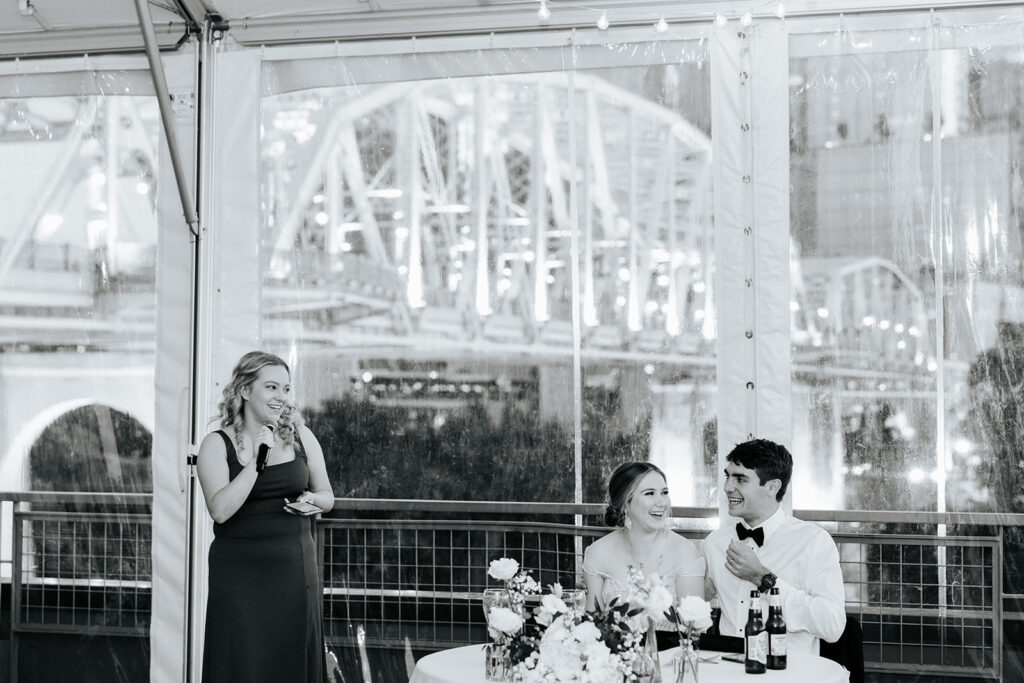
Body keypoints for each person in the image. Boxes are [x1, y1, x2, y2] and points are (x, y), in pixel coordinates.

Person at [197, 351, 335, 683]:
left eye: (285, 389)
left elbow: (328, 496)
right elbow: (220, 510)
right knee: (242, 660)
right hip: (238, 576)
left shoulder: (301, 436)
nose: (281, 397)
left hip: (294, 571)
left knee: (291, 661)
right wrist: (257, 461)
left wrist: (312, 500)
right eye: (271, 387)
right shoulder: (216, 444)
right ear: (245, 390)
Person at [704, 438, 845, 654]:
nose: (727, 487)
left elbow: (832, 626)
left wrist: (763, 579)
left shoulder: (813, 541)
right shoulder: (715, 543)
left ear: (772, 487)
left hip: (788, 669)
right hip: (726, 667)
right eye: (727, 476)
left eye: (740, 479)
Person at [582, 461, 704, 637]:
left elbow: (695, 629)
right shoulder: (597, 553)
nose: (662, 502)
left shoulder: (685, 552)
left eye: (664, 492)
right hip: (615, 652)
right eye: (650, 493)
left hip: (671, 651)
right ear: (626, 503)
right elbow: (592, 626)